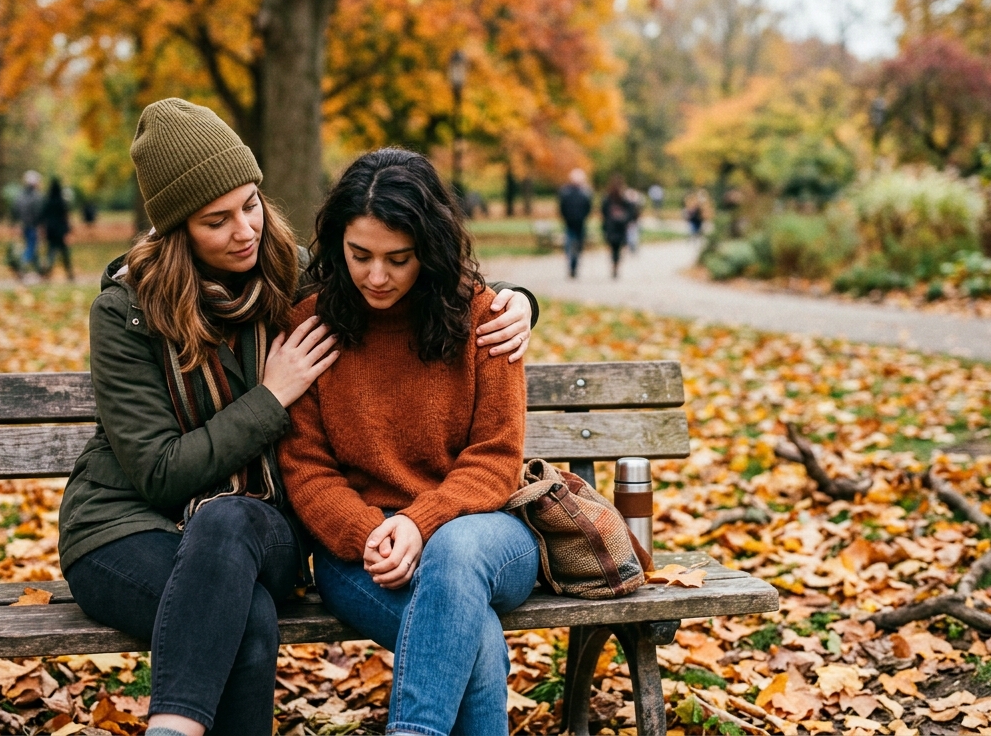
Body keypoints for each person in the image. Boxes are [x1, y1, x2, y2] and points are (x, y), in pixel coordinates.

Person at [56, 99, 537, 736]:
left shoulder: (290, 271)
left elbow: (415, 264)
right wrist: (270, 396)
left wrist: (522, 303)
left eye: (251, 204)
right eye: (216, 220)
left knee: (237, 536)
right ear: (176, 231)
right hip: (136, 523)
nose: (245, 231)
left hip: (256, 526)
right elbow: (162, 471)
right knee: (250, 615)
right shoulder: (130, 313)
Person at [279, 148, 539, 736]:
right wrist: (373, 533)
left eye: (399, 259)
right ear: (336, 244)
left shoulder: (484, 319)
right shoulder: (311, 327)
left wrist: (422, 523)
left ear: (431, 248)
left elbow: (496, 458)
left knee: (453, 555)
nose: (376, 276)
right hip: (363, 553)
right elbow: (307, 468)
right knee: (476, 635)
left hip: (486, 535)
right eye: (359, 255)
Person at [558, 168, 592, 278]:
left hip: (580, 223)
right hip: (569, 223)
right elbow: (562, 207)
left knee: (578, 246)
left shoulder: (585, 192)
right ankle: (571, 265)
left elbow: (588, 207)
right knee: (570, 245)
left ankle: (575, 265)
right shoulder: (566, 191)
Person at [38, 177, 75, 281]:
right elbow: (65, 216)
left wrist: (43, 230)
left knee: (51, 253)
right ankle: (69, 273)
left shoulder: (47, 202)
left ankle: (47, 272)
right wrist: (68, 230)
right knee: (64, 253)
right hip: (61, 231)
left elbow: (42, 217)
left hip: (51, 230)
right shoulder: (62, 202)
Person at [601, 175, 637, 278]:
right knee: (617, 249)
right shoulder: (612, 198)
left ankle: (614, 264)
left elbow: (604, 212)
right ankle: (615, 265)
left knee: (614, 249)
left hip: (614, 228)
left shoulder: (612, 198)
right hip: (617, 228)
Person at [10, 170, 43, 275]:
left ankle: (39, 270)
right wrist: (40, 225)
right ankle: (22, 264)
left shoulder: (20, 196)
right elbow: (38, 213)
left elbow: (15, 210)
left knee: (32, 246)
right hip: (32, 225)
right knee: (31, 247)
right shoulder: (36, 196)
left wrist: (14, 224)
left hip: (24, 225)